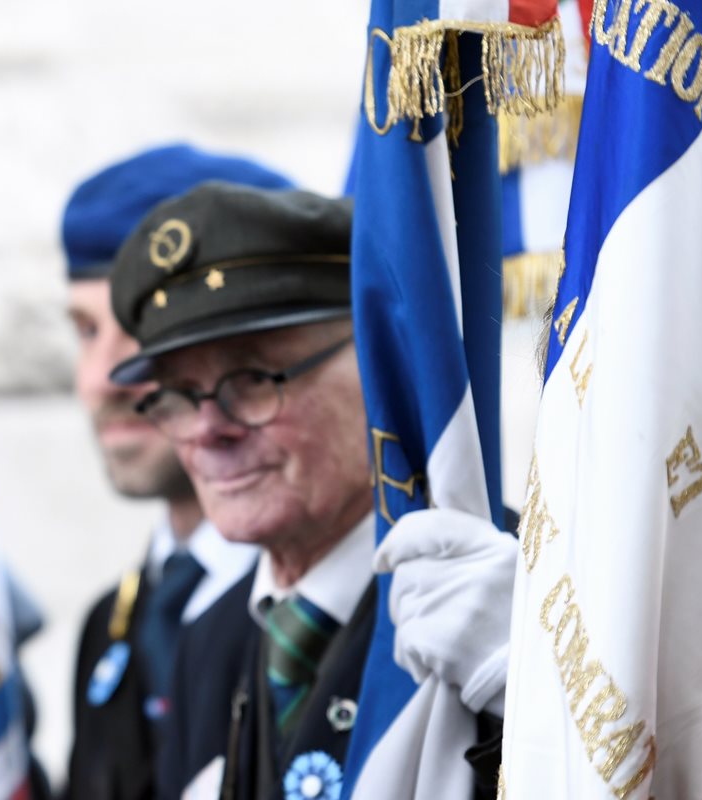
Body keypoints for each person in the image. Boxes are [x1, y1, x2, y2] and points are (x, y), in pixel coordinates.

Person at [108, 182, 512, 800]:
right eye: (178, 394)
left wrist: (546, 693)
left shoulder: (516, 597)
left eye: (251, 377)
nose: (208, 430)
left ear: (380, 362)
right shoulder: (210, 644)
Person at [60, 145, 291, 800]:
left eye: (141, 332)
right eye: (84, 330)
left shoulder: (328, 603)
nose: (100, 380)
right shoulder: (113, 624)